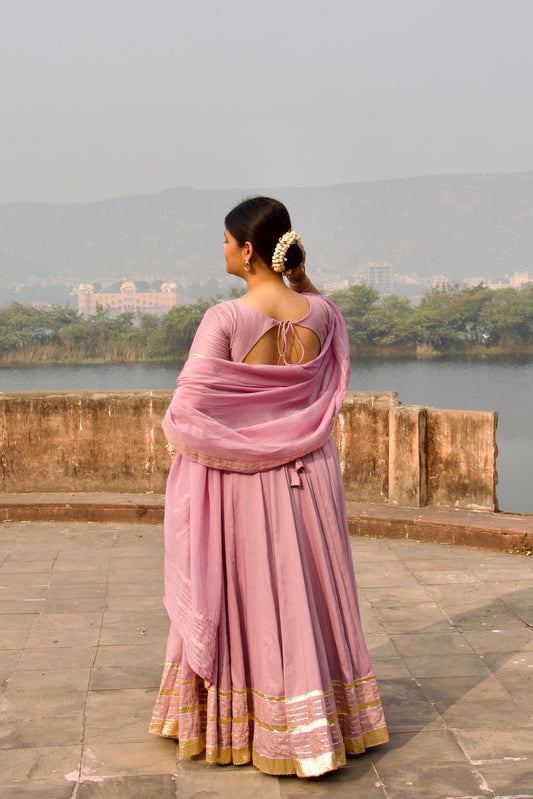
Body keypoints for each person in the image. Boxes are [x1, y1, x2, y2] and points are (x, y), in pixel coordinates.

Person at [150, 197, 388, 777]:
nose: (223, 250)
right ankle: (324, 720)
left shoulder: (226, 319)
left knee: (249, 593)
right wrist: (301, 281)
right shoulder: (323, 314)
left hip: (245, 483)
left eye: (227, 241)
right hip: (311, 474)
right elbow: (320, 374)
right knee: (306, 590)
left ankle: (246, 727)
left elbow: (189, 410)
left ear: (249, 249)